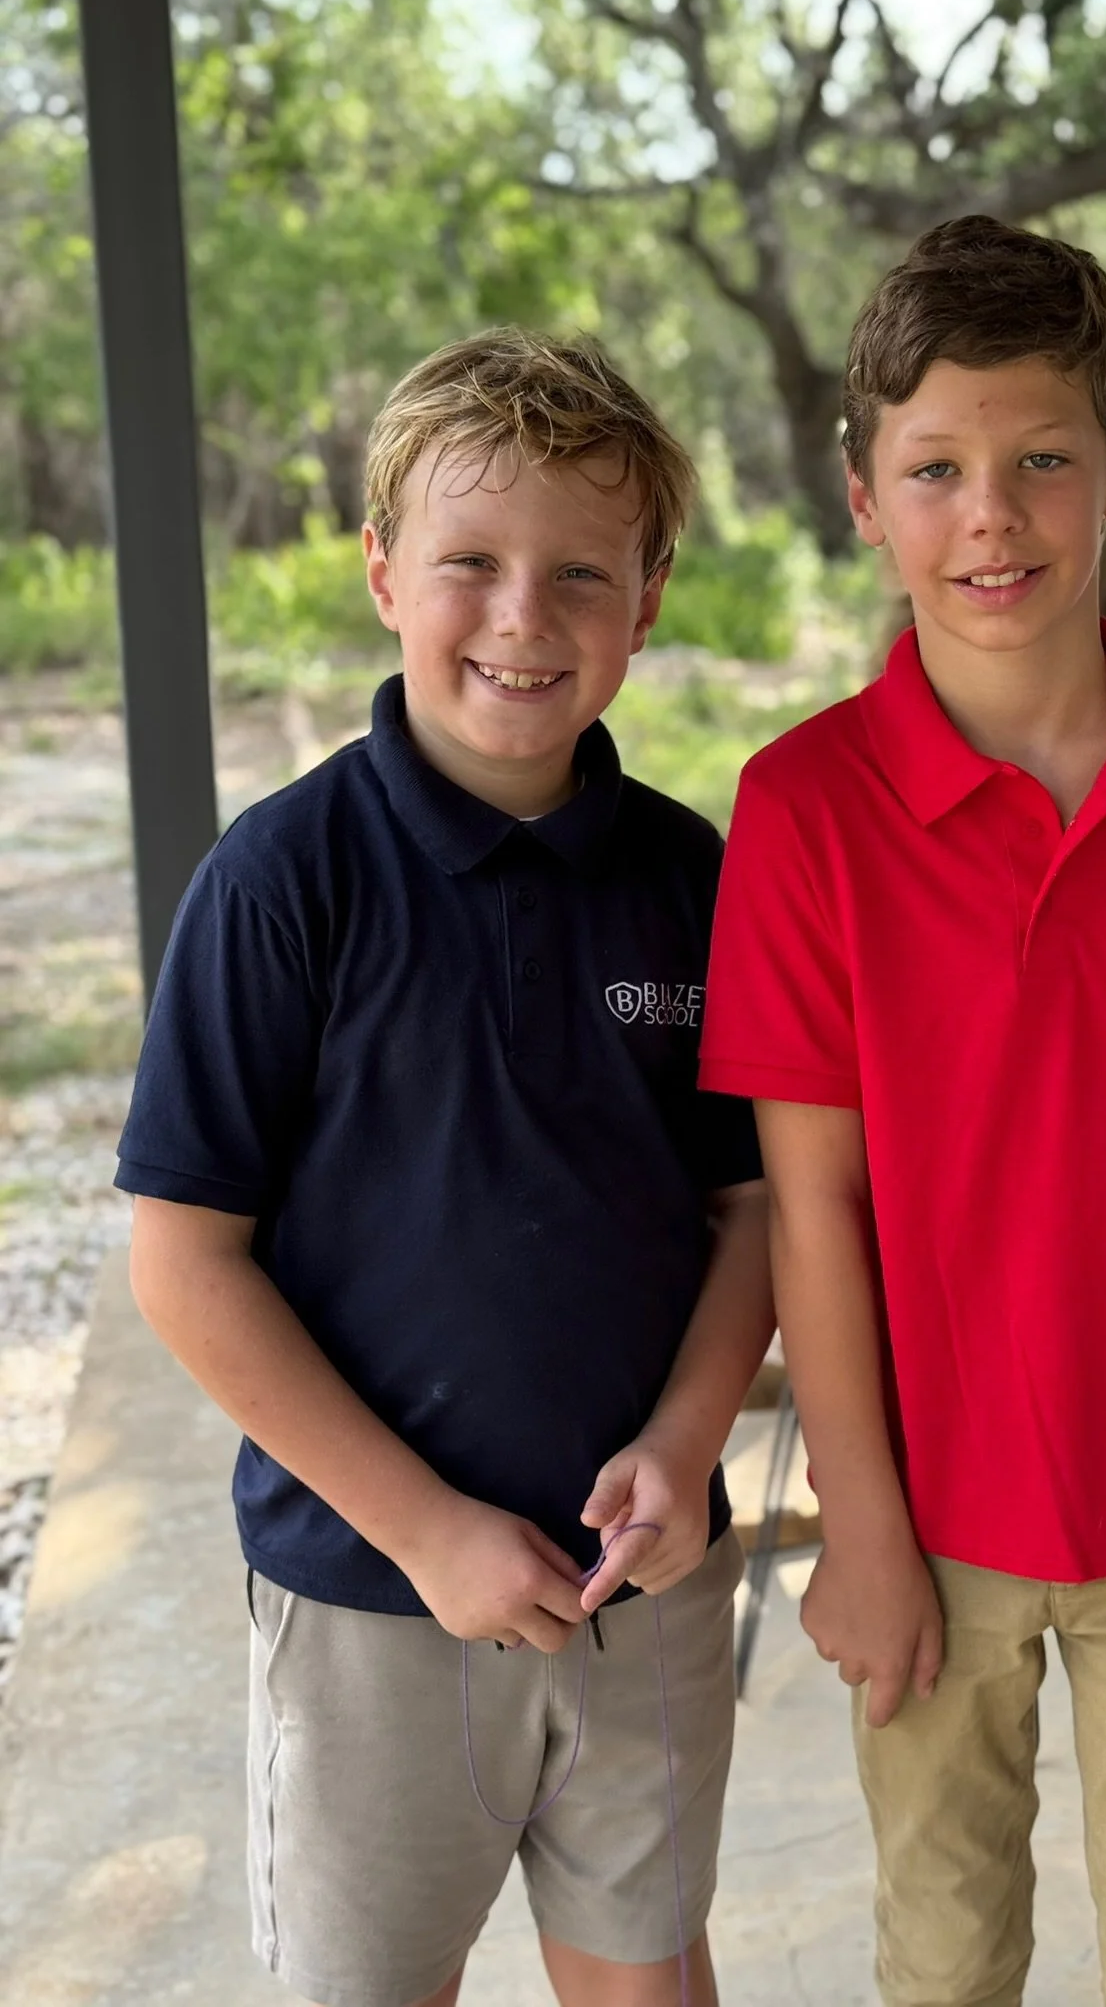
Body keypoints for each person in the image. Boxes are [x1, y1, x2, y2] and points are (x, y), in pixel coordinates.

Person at [699, 216, 1106, 2007]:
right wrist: (859, 1518)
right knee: (945, 1954)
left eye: (1043, 459)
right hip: (934, 1513)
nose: (991, 514)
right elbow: (808, 1205)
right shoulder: (804, 808)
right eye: (937, 469)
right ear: (865, 496)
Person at [118, 328, 774, 2007]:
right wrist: (422, 1532)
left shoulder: (694, 882)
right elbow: (186, 1263)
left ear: (649, 597)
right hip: (367, 1603)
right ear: (381, 576)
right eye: (469, 564)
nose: (521, 618)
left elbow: (748, 1211)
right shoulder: (279, 884)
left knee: (650, 1978)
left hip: (640, 1577)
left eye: (579, 573)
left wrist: (690, 1448)